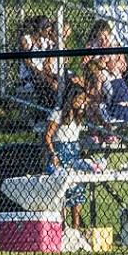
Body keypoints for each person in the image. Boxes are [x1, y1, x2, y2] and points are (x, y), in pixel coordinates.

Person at [44, 87, 90, 229]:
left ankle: (75, 226)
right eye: (79, 99)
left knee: (78, 187)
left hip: (74, 151)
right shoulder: (58, 114)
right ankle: (62, 226)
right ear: (71, 98)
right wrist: (53, 154)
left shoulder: (79, 116)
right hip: (60, 151)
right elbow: (47, 136)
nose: (81, 102)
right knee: (61, 189)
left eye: (83, 99)